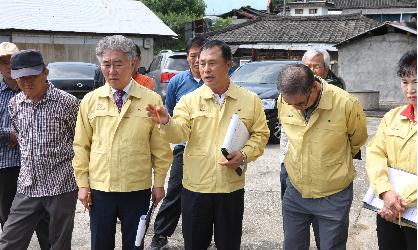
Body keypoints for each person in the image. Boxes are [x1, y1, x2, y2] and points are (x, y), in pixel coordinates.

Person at [146, 40, 270, 250]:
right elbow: (178, 134)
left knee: (229, 244)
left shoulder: (250, 100)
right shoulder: (189, 100)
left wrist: (245, 154)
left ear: (228, 64)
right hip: (196, 188)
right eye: (202, 63)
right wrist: (166, 122)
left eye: (212, 63)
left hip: (230, 188)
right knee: (195, 244)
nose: (205, 69)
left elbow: (261, 134)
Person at [72, 35, 172, 250]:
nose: (111, 71)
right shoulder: (90, 100)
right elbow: (81, 146)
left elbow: (160, 147)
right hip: (101, 188)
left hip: (137, 188)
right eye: (106, 65)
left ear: (133, 63)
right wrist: (82, 184)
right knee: (100, 243)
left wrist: (159, 182)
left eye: (118, 64)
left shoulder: (151, 100)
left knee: (134, 244)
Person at [277, 64, 367, 250]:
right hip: (296, 190)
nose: (296, 108)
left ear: (315, 87)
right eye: (290, 104)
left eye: (300, 103)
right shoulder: (284, 101)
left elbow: (357, 139)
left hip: (333, 194)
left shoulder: (345, 104)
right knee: (292, 245)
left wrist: (330, 162)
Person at [0, 49, 79, 250]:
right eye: (20, 77)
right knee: (10, 240)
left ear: (45, 73)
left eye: (32, 76)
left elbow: (79, 142)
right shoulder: (15, 103)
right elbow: (19, 137)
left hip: (61, 186)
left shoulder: (67, 103)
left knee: (58, 244)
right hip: (28, 186)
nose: (26, 82)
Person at [149, 35, 207, 250]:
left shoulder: (216, 82)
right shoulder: (177, 81)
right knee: (175, 191)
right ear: (188, 57)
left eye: (202, 56)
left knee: (206, 195)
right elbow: (170, 115)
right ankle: (161, 234)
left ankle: (203, 236)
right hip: (184, 148)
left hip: (210, 151)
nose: (197, 60)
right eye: (193, 56)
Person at [365, 50, 417, 250]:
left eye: (416, 82)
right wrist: (385, 191)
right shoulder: (393, 117)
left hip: (403, 207)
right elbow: (375, 154)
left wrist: (399, 202)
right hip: (389, 211)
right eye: (405, 82)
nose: (410, 89)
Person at [0, 42, 20, 229]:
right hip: (5, 163)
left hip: (32, 163)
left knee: (42, 217)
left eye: (11, 61)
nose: (8, 66)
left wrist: (19, 135)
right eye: (3, 62)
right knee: (7, 215)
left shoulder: (33, 87)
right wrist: (8, 134)